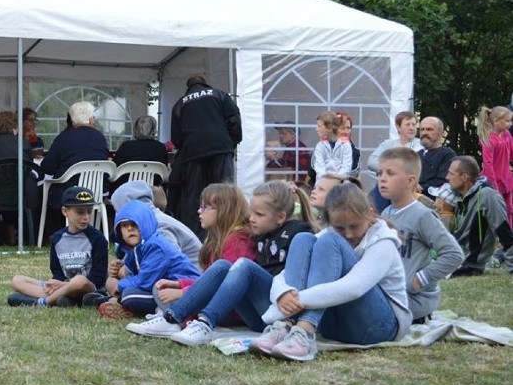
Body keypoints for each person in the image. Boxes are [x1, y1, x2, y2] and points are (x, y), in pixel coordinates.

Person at [126, 180, 316, 345]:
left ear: (280, 217)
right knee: (224, 266)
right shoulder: (260, 235)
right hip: (258, 313)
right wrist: (182, 285)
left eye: (259, 215)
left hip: (277, 312)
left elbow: (296, 276)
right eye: (252, 213)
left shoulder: (298, 234)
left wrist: (183, 289)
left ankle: (205, 322)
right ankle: (172, 318)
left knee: (241, 265)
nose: (251, 219)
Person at [251, 183, 411, 362]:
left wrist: (294, 301)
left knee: (330, 242)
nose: (348, 234)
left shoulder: (383, 242)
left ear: (370, 213)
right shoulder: (329, 233)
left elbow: (354, 287)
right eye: (340, 228)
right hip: (335, 327)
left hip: (377, 327)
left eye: (354, 226)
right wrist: (282, 294)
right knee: (303, 239)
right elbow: (285, 273)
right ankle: (285, 327)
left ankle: (304, 329)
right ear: (330, 221)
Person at [378, 148, 463, 323]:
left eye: (390, 173)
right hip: (390, 294)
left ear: (410, 181)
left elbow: (454, 254)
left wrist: (418, 280)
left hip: (413, 301)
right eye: (380, 173)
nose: (382, 179)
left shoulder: (422, 215)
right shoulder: (386, 213)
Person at [97, 199, 201, 319]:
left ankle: (155, 311)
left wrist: (118, 286)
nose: (130, 229)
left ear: (145, 224)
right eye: (125, 225)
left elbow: (144, 282)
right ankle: (125, 305)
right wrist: (116, 271)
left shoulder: (155, 246)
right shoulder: (136, 247)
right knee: (128, 292)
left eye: (134, 224)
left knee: (129, 295)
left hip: (184, 289)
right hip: (159, 286)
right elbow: (132, 272)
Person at [7, 186, 108, 307]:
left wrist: (62, 285)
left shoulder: (98, 239)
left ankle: (45, 301)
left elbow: (98, 279)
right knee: (17, 280)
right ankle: (63, 298)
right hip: (62, 286)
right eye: (80, 212)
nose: (86, 217)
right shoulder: (57, 238)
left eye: (89, 211)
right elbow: (57, 271)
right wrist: (57, 284)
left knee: (79, 280)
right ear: (65, 211)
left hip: (88, 288)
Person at [169, 75, 243, 232]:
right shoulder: (220, 95)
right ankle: (227, 230)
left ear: (188, 88)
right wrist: (233, 142)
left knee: (195, 197)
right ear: (206, 84)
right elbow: (234, 119)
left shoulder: (180, 103)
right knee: (224, 193)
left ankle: (194, 234)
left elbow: (176, 138)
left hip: (193, 154)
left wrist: (187, 148)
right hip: (221, 150)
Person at [40, 101, 109, 226]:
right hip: (96, 193)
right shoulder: (100, 138)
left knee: (43, 191)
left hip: (68, 193)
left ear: (71, 120)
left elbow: (47, 167)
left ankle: (49, 233)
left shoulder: (64, 137)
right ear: (91, 119)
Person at [0, 110, 39, 243]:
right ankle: (27, 239)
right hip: (22, 195)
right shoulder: (23, 142)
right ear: (15, 126)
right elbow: (29, 167)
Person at [445, 156, 513, 276]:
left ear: (465, 177)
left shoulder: (488, 196)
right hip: (451, 258)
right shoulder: (461, 197)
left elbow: (505, 234)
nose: (447, 178)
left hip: (467, 265)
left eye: (451, 174)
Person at [110, 181, 201, 265]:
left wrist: (129, 276)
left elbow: (166, 264)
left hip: (192, 279)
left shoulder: (158, 225)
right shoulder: (150, 220)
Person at [367, 111, 423, 212]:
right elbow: (371, 161)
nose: (411, 128)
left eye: (414, 125)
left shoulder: (420, 145)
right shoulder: (389, 144)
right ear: (398, 127)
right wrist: (390, 170)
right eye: (408, 124)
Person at [476, 106, 513, 227]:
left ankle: (509, 236)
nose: (510, 124)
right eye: (507, 121)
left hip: (506, 178)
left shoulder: (507, 134)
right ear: (496, 121)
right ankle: (497, 237)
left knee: (510, 210)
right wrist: (493, 185)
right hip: (493, 180)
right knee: (496, 211)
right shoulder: (488, 138)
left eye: (510, 121)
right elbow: (488, 164)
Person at [113, 115, 169, 183]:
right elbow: (163, 171)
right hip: (152, 189)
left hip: (126, 189)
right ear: (153, 130)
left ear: (136, 129)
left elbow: (114, 169)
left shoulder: (126, 146)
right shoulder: (161, 148)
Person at [309, 111, 352, 186]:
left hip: (340, 185)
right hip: (322, 184)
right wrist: (326, 183)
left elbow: (346, 167)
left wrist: (335, 181)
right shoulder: (320, 146)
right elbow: (319, 168)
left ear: (329, 128)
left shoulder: (345, 145)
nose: (316, 129)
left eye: (319, 126)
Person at [417, 116, 456, 198]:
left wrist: (420, 188)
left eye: (429, 129)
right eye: (422, 129)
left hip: (434, 201)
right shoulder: (416, 155)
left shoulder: (447, 155)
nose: (424, 133)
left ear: (440, 133)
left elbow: (443, 181)